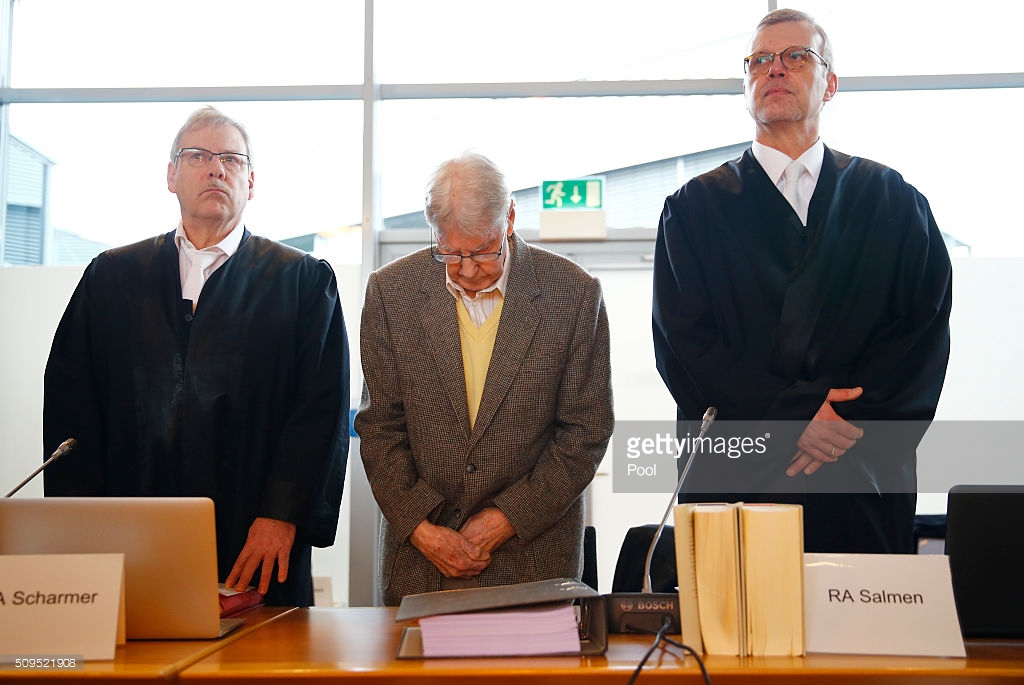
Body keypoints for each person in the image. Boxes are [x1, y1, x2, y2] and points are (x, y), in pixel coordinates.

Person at [652, 9, 952, 554]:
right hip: (740, 474)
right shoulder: (693, 209)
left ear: (830, 84)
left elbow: (920, 331)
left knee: (858, 605)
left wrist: (840, 419)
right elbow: (684, 345)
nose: (775, 69)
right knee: (738, 602)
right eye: (759, 60)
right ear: (746, 85)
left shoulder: (891, 200)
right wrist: (792, 419)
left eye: (796, 56)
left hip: (856, 466)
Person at [43, 106, 350, 605]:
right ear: (171, 175)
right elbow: (72, 406)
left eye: (231, 158)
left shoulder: (301, 282)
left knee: (262, 651)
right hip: (132, 523)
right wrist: (81, 527)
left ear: (251, 182)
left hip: (255, 533)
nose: (216, 169)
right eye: (198, 156)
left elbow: (320, 410)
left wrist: (283, 514)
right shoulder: (113, 278)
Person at [355, 152, 614, 605]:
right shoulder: (391, 293)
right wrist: (423, 530)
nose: (468, 269)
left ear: (509, 218)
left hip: (532, 560)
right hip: (421, 562)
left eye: (481, 251)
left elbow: (585, 431)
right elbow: (380, 428)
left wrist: (507, 518)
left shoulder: (573, 293)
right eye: (451, 252)